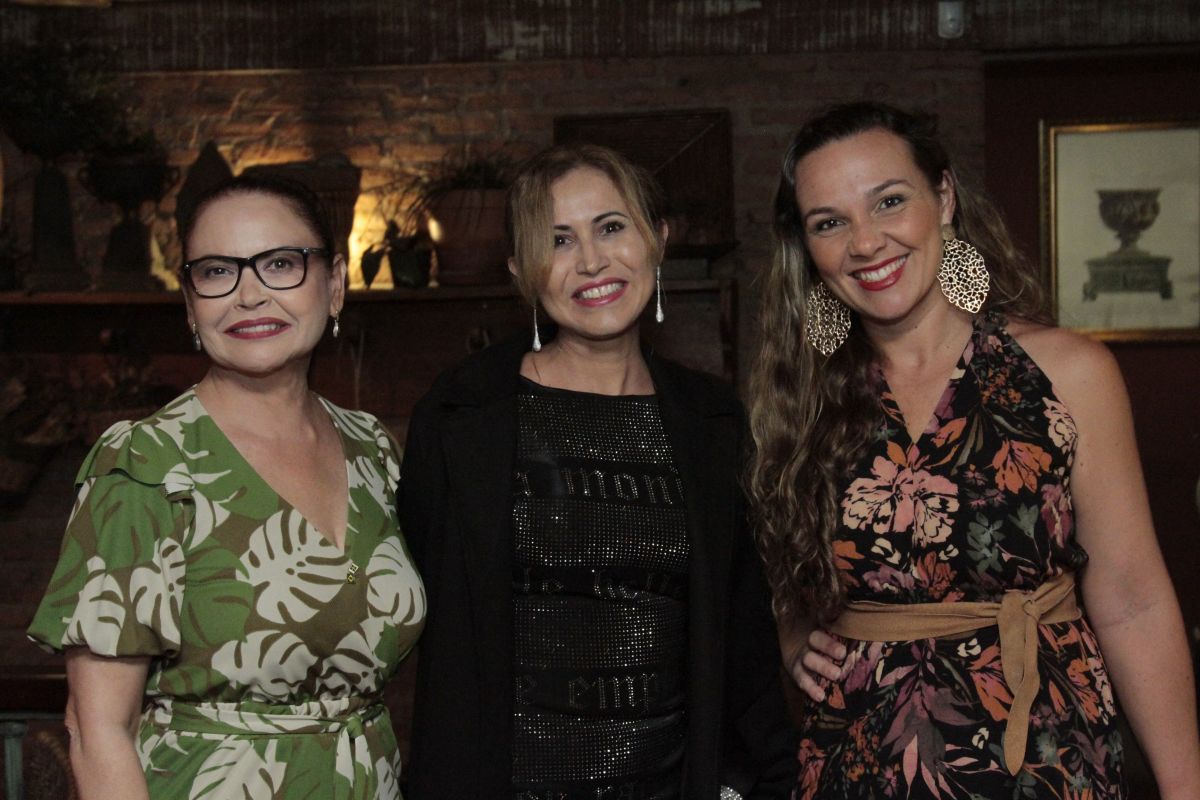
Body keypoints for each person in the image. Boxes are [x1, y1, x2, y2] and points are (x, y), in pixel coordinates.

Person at [746, 101, 1200, 799]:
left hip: (1041, 759)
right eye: (829, 222)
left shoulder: (1068, 373)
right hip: (859, 765)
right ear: (806, 246)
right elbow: (778, 567)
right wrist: (791, 637)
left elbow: (1133, 600)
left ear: (944, 197)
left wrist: (1185, 786)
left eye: (889, 201)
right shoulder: (797, 397)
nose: (865, 242)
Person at [400, 143, 795, 799]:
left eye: (611, 227)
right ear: (520, 270)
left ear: (657, 239)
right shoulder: (462, 416)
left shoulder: (713, 422)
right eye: (557, 241)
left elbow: (743, 636)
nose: (591, 261)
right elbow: (432, 624)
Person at [28, 175, 425, 800]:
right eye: (217, 272)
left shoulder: (374, 448)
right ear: (191, 305)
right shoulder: (146, 464)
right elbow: (97, 728)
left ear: (335, 284)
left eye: (280, 264)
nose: (249, 294)